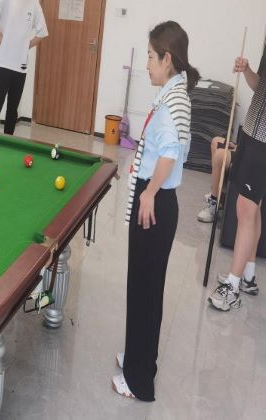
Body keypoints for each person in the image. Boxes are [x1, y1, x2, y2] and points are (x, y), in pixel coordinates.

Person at [113, 21, 200, 401]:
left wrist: (148, 192)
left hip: (156, 204)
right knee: (143, 287)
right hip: (153, 200)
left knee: (146, 291)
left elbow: (171, 151)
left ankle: (138, 382)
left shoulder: (175, 100)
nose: (146, 63)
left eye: (150, 56)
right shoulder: (172, 91)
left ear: (168, 58)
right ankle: (138, 359)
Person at [208, 41, 266, 310]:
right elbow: (259, 87)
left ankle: (232, 286)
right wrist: (248, 71)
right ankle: (248, 276)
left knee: (245, 208)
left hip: (264, 142)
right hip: (251, 133)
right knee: (253, 209)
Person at [0, 0, 48, 135]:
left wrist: (25, 46)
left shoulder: (34, 5)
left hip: (21, 67)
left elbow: (43, 32)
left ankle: (8, 141)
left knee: (12, 110)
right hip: (3, 64)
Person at [196, 136, 236, 222]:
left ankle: (213, 203)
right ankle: (216, 193)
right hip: (244, 147)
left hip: (254, 154)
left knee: (219, 155)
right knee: (216, 141)